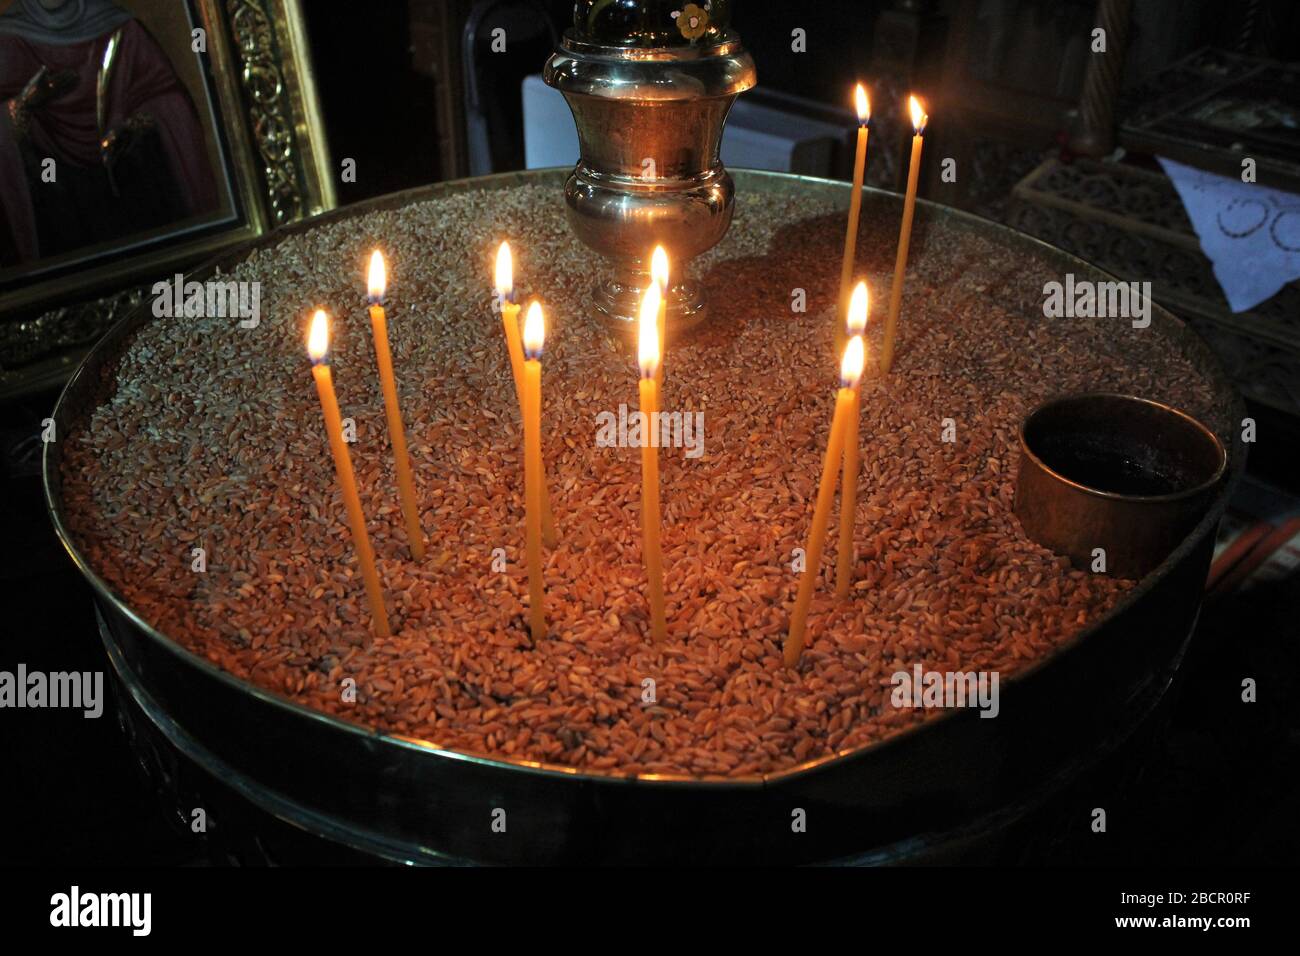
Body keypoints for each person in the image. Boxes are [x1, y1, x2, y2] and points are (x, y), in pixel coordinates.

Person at [0, 0, 218, 267]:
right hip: (54, 201)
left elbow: (170, 100)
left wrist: (134, 127)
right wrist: (21, 105)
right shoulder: (7, 41)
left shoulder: (122, 30)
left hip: (128, 192)